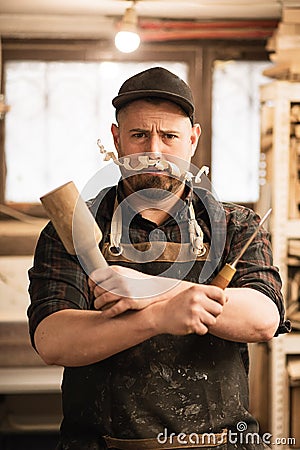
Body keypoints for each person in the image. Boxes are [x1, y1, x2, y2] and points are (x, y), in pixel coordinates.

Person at [28, 67, 290, 450]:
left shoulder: (234, 224)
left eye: (169, 136)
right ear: (116, 139)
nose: (154, 151)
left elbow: (264, 318)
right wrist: (156, 319)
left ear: (192, 140)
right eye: (138, 135)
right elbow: (52, 340)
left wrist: (157, 291)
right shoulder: (70, 228)